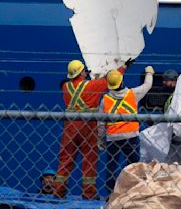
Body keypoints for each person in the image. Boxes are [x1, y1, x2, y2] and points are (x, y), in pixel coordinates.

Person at [54, 59, 132, 200]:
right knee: (89, 159)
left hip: (70, 126)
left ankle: (58, 191)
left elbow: (74, 86)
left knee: (65, 159)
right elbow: (109, 79)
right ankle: (89, 193)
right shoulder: (92, 85)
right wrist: (124, 67)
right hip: (87, 126)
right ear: (81, 72)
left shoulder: (66, 87)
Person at [98, 65, 154, 195]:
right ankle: (136, 191)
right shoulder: (132, 94)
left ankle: (111, 194)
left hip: (113, 138)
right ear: (121, 81)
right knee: (134, 165)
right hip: (131, 137)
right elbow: (147, 85)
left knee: (111, 166)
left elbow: (100, 123)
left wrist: (100, 140)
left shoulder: (105, 100)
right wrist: (149, 72)